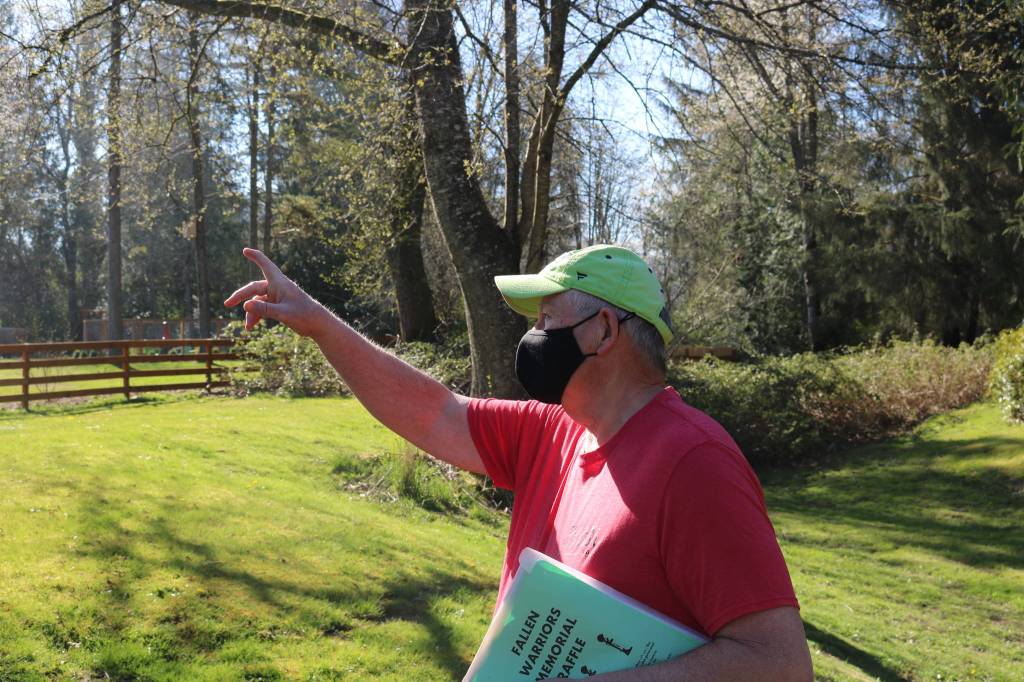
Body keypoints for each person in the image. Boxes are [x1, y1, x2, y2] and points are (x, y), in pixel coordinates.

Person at [225, 244, 813, 680]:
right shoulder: (555, 431)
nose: (533, 337)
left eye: (546, 320)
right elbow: (435, 414)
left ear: (603, 331)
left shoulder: (694, 461)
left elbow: (781, 664)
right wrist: (320, 325)